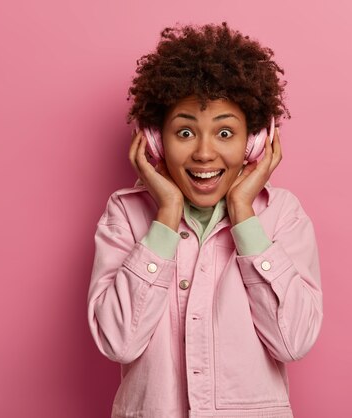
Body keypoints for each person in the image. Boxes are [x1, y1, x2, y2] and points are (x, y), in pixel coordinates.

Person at [87, 22, 323, 418]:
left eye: (225, 132)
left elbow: (293, 341)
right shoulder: (126, 215)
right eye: (184, 132)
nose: (203, 153)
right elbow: (118, 343)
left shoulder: (283, 216)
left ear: (254, 142)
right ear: (156, 140)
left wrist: (245, 216)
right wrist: (165, 217)